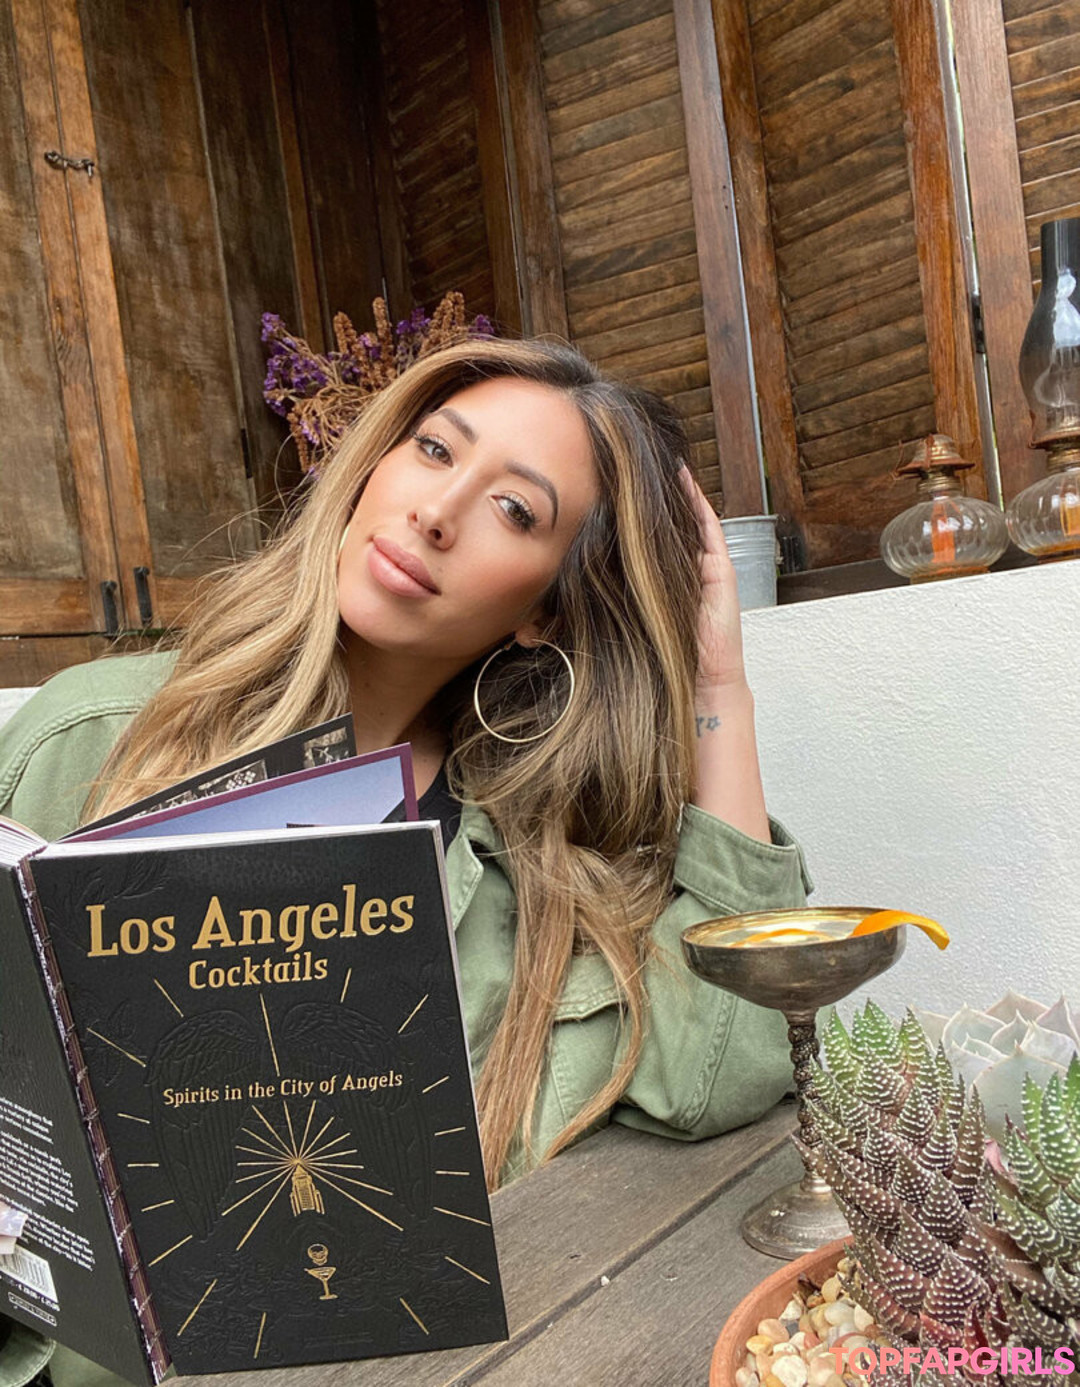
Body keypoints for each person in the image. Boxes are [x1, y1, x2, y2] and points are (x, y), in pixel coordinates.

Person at [0, 337, 811, 1387]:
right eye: (434, 450)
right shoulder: (95, 740)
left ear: (544, 610)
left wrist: (719, 686)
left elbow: (725, 1074)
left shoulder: (537, 868)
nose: (437, 511)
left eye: (514, 508)